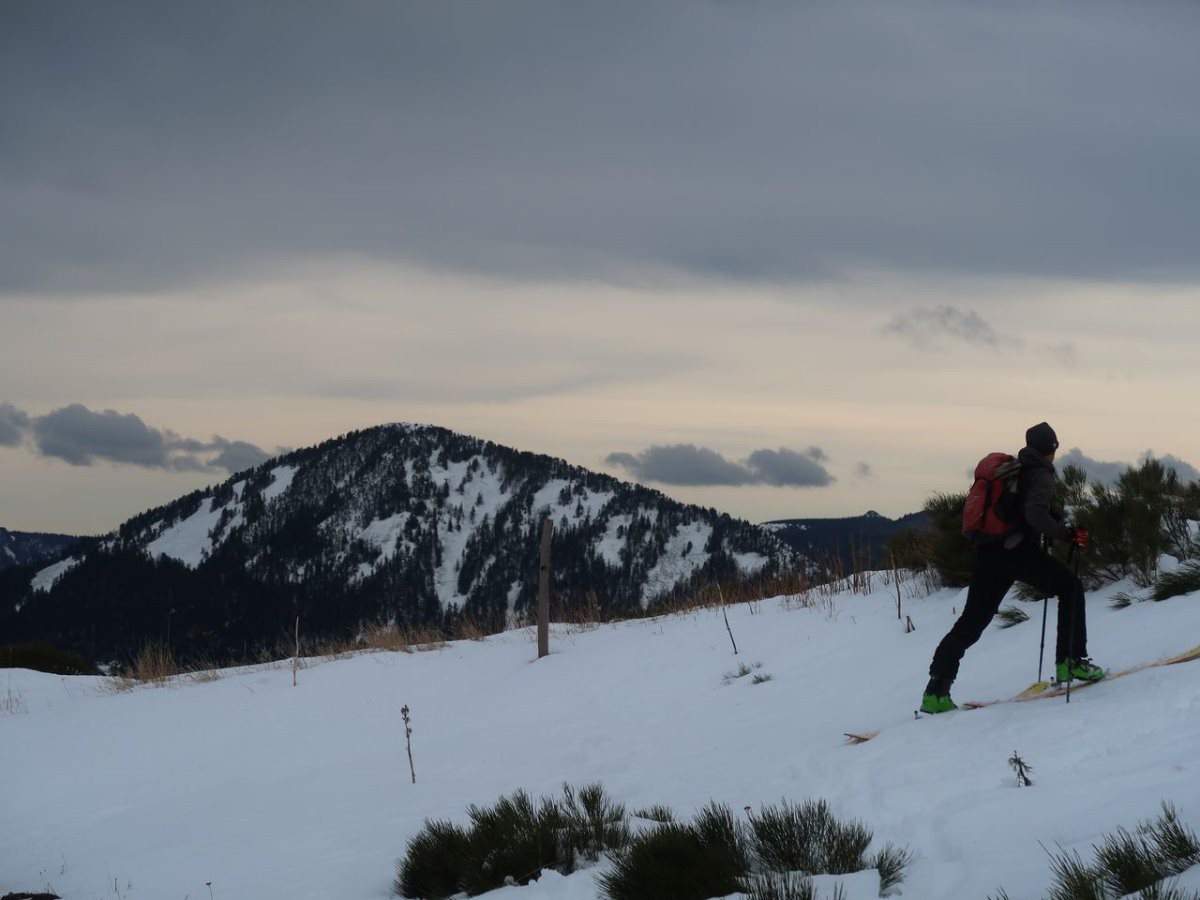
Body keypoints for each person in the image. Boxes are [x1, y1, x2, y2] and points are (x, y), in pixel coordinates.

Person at [921, 421, 1104, 713]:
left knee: (971, 622)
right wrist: (1067, 534)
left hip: (987, 554)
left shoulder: (1015, 470)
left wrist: (1052, 523)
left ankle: (936, 693)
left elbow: (1024, 510)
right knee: (1070, 586)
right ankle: (1071, 662)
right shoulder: (1041, 474)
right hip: (1016, 553)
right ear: (1052, 449)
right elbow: (1033, 513)